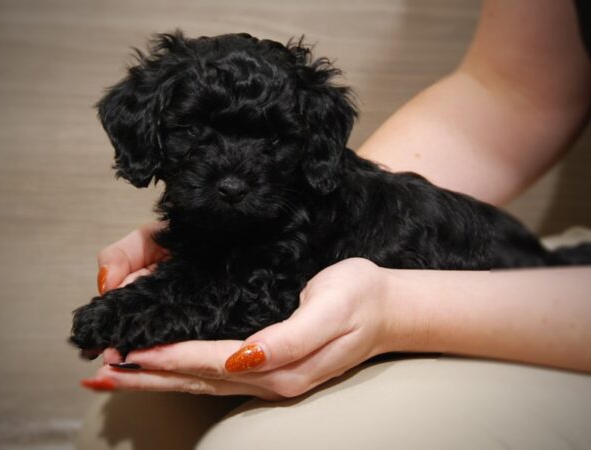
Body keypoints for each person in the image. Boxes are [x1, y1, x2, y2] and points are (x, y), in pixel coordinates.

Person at [77, 1, 591, 448]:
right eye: (195, 134)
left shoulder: (292, 226)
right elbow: (514, 89)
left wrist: (150, 302)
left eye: (272, 142)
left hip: (510, 310)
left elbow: (259, 294)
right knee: (123, 414)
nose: (232, 174)